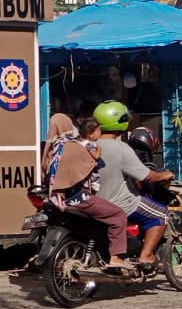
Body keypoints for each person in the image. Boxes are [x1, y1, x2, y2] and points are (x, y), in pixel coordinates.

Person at [92, 101, 175, 269]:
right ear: (120, 121)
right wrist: (165, 174)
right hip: (121, 202)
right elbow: (147, 176)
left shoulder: (90, 146)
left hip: (93, 202)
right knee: (162, 215)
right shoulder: (121, 148)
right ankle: (146, 255)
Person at [42, 113, 131, 269]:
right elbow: (96, 157)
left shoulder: (60, 144)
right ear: (92, 133)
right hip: (77, 198)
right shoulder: (88, 146)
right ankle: (116, 257)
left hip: (57, 197)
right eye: (99, 131)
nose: (100, 134)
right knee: (118, 215)